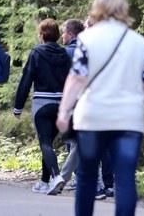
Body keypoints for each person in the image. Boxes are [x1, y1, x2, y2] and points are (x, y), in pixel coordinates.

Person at [56, 0, 144, 216]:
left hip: (93, 118)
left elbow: (78, 77)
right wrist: (136, 103)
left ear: (97, 10)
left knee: (87, 175)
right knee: (125, 178)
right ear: (123, 10)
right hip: (129, 120)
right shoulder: (138, 42)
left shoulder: (87, 39)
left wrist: (64, 111)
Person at [14, 19, 71, 195]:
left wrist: (18, 106)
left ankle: (56, 176)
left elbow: (26, 80)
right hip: (61, 104)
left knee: (45, 143)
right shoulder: (65, 54)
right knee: (49, 144)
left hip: (42, 104)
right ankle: (44, 182)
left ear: (43, 35)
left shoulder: (36, 53)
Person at [59, 19, 84, 191]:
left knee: (73, 140)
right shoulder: (88, 50)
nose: (62, 35)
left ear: (71, 34)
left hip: (72, 99)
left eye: (64, 32)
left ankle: (76, 177)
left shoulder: (67, 52)